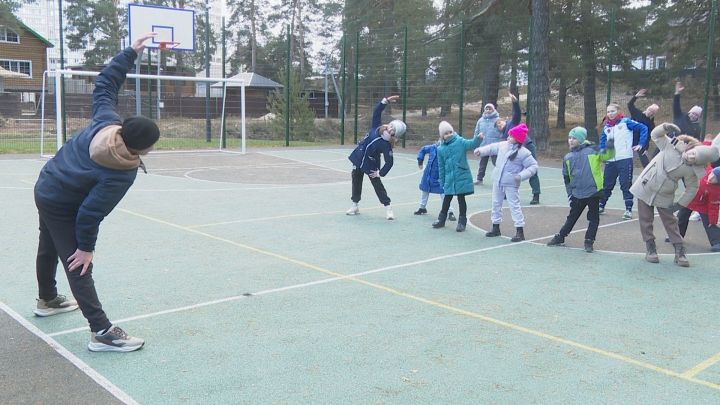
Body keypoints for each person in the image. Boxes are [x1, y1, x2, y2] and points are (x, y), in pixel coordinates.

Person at [33, 33, 159, 352]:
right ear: (143, 148)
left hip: (46, 184)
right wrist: (86, 248)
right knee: (78, 262)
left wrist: (130, 52)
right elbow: (90, 213)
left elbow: (105, 83)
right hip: (61, 203)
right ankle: (101, 331)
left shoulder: (106, 122)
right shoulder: (121, 172)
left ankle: (47, 299)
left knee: (49, 245)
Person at [629, 123, 719, 267]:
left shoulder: (692, 171)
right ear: (692, 148)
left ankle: (679, 251)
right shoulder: (672, 145)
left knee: (671, 222)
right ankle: (650, 248)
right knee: (645, 219)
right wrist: (665, 127)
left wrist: (679, 204)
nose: (690, 158)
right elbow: (655, 135)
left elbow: (692, 189)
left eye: (694, 159)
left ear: (699, 163)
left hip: (665, 194)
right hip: (646, 185)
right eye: (692, 154)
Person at [547, 127, 614, 253]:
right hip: (577, 193)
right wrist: (570, 194)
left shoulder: (594, 151)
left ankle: (589, 241)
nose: (571, 140)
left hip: (593, 192)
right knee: (572, 217)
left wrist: (611, 139)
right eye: (570, 138)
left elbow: (609, 155)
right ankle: (561, 236)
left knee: (593, 218)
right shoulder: (568, 157)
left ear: (582, 140)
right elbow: (566, 177)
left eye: (574, 138)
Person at [474, 123, 538, 242]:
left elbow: (533, 166)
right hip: (497, 180)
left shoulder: (524, 152)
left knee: (514, 206)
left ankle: (519, 231)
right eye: (509, 135)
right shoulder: (503, 145)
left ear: (518, 139)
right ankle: (495, 227)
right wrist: (481, 151)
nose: (508, 137)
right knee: (496, 203)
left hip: (511, 183)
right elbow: (492, 148)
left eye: (511, 136)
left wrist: (520, 176)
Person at [346, 95, 407, 220]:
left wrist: (380, 173)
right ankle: (355, 204)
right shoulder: (376, 126)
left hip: (371, 165)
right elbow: (377, 111)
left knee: (377, 185)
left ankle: (388, 207)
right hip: (359, 157)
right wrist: (385, 101)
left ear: (396, 135)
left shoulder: (386, 146)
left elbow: (389, 162)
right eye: (391, 126)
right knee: (356, 181)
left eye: (394, 130)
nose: (390, 129)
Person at [598, 103, 648, 220]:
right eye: (608, 112)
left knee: (625, 183)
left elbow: (643, 128)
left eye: (612, 111)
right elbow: (603, 142)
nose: (610, 114)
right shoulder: (607, 127)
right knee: (607, 184)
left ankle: (628, 209)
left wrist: (641, 144)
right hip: (611, 160)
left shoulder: (626, 122)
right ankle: (601, 205)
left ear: (618, 111)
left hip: (624, 159)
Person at [433, 121, 482, 232]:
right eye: (446, 133)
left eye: (450, 132)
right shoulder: (440, 149)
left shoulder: (460, 141)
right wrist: (443, 180)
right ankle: (441, 219)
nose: (449, 134)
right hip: (450, 178)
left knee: (461, 199)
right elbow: (441, 166)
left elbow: (471, 144)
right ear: (442, 136)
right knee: (447, 198)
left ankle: (462, 221)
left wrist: (478, 138)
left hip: (461, 176)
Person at [497, 93, 541, 205]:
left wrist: (515, 102)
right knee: (511, 171)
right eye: (497, 126)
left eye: (500, 122)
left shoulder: (512, 123)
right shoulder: (504, 137)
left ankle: (536, 195)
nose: (499, 125)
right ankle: (508, 192)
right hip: (516, 152)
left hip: (527, 146)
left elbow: (517, 113)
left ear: (503, 121)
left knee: (532, 170)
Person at [415, 138, 456, 221]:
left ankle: (450, 211)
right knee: (425, 190)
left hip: (440, 176)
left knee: (444, 193)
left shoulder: (448, 150)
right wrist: (420, 160)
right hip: (428, 174)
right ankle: (422, 207)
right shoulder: (432, 147)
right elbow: (423, 150)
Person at [473, 102, 503, 185]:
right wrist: (476, 140)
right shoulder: (480, 120)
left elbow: (502, 131)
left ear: (493, 110)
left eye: (490, 109)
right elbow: (476, 131)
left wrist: (501, 142)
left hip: (495, 145)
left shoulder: (498, 120)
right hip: (484, 145)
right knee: (482, 163)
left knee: (496, 163)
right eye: (487, 108)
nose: (488, 110)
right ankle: (479, 179)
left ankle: (500, 179)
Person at [627, 89, 658, 167]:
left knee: (644, 156)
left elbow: (648, 137)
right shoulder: (637, 113)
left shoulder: (651, 124)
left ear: (653, 114)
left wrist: (645, 148)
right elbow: (630, 105)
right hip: (629, 137)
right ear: (647, 108)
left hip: (639, 141)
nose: (650, 112)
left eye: (652, 112)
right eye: (650, 110)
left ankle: (648, 171)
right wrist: (636, 96)